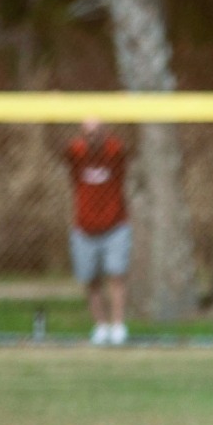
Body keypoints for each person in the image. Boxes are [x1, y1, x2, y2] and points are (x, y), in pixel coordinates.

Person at [64, 118, 131, 346]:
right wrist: (54, 109)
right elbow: (56, 145)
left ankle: (118, 327)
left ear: (106, 132)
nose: (93, 136)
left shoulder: (114, 153)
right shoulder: (77, 154)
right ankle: (101, 326)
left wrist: (121, 110)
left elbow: (128, 143)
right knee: (91, 280)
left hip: (115, 226)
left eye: (97, 131)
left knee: (116, 275)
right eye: (88, 132)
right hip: (84, 229)